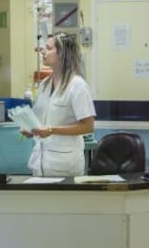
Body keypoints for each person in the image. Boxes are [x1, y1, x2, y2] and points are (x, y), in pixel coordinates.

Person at [21, 31, 96, 177]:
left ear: (63, 54)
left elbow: (88, 126)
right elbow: (40, 121)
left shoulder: (77, 86)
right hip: (41, 164)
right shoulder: (44, 84)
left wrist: (52, 130)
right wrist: (31, 130)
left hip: (65, 166)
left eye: (48, 48)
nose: (43, 51)